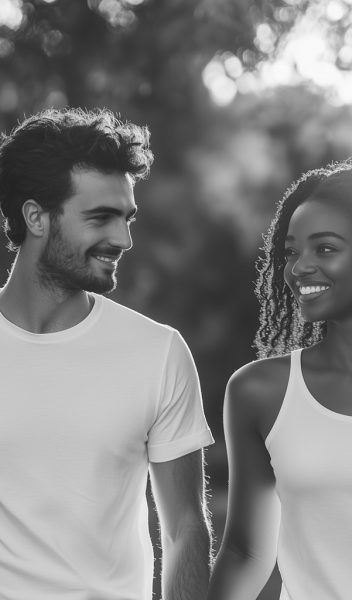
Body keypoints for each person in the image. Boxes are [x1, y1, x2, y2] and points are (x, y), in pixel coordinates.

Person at [0, 107, 214, 600]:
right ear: (36, 216)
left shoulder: (157, 353)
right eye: (100, 217)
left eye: (126, 217)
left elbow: (184, 529)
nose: (123, 239)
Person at [207, 158, 352, 600]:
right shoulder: (260, 392)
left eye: (325, 249)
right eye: (292, 251)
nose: (298, 268)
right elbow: (245, 552)